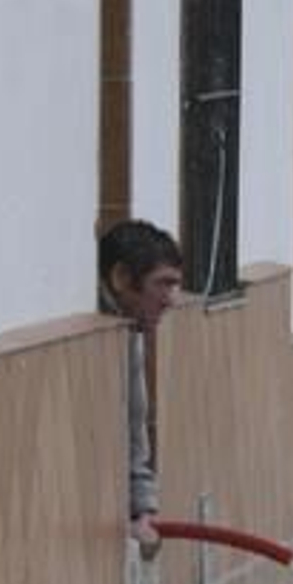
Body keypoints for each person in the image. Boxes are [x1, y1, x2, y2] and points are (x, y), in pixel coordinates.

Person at [97, 219, 183, 561]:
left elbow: (135, 432)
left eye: (175, 285)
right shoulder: (115, 331)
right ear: (120, 278)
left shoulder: (129, 334)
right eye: (162, 284)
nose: (171, 300)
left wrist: (143, 509)